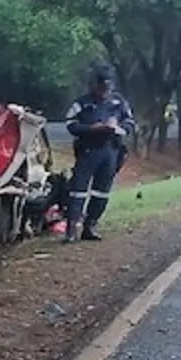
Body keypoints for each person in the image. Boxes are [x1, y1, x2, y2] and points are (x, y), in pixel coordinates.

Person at [63, 64, 136, 243]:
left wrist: (118, 128)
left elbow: (131, 123)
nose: (104, 91)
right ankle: (72, 228)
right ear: (93, 84)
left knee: (102, 191)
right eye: (100, 86)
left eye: (107, 87)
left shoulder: (119, 102)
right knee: (78, 190)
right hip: (88, 151)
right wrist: (91, 128)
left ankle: (91, 225)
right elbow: (70, 124)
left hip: (110, 151)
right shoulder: (82, 103)